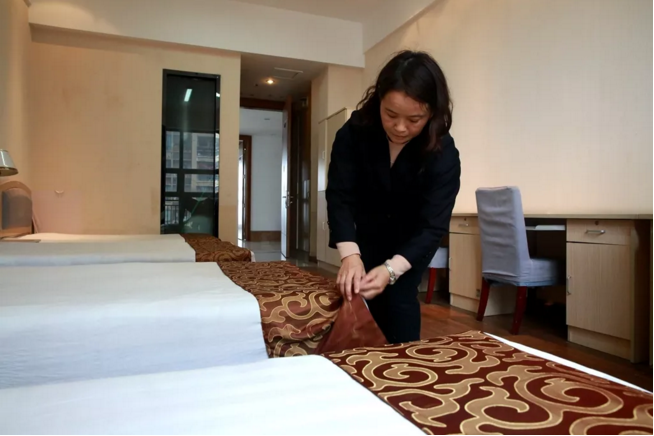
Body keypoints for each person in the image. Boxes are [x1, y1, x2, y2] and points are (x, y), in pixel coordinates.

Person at [326, 50, 461, 344]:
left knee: (399, 299)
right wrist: (350, 254)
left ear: (432, 113)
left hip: (410, 243)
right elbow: (340, 195)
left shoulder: (443, 153)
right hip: (365, 233)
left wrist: (392, 269)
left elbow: (433, 226)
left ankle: (403, 366)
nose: (400, 128)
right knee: (358, 299)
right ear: (379, 101)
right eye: (390, 114)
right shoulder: (355, 132)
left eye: (414, 119)